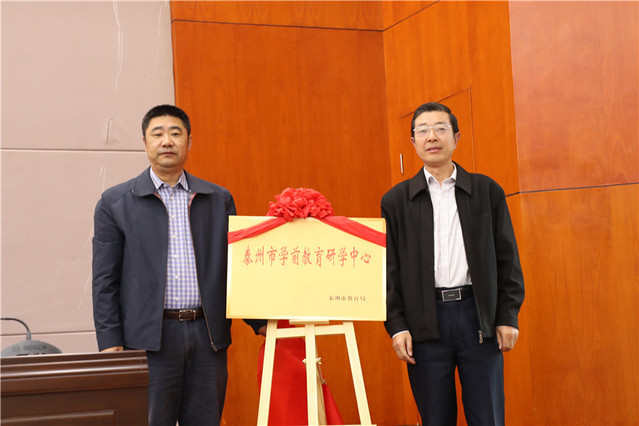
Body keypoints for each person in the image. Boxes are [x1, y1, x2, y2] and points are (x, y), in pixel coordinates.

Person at [92, 104, 266, 426]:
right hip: (147, 341)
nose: (167, 141)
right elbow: (105, 279)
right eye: (157, 134)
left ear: (189, 141)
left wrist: (261, 322)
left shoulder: (217, 199)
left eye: (175, 133)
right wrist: (110, 341)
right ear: (144, 142)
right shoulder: (116, 203)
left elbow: (235, 268)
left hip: (207, 336)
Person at [381, 102, 524, 425]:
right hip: (424, 322)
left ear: (456, 138)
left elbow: (508, 260)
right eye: (423, 130)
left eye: (440, 128)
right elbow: (388, 272)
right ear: (413, 142)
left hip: (478, 318)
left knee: (487, 416)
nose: (432, 136)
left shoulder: (486, 191)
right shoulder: (396, 201)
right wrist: (397, 325)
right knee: (435, 418)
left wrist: (507, 316)